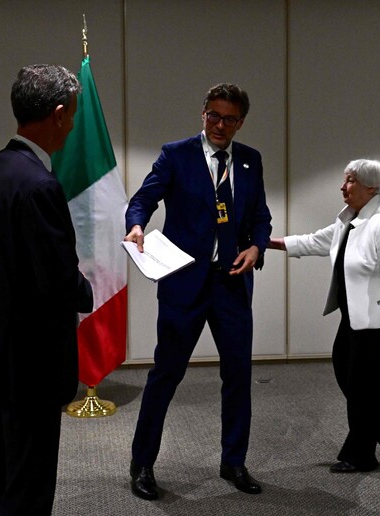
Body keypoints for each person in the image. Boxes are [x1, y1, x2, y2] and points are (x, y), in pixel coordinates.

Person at [0, 64, 93, 515]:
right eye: (71, 116)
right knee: (29, 482)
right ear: (57, 115)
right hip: (32, 361)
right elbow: (57, 280)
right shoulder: (39, 184)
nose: (71, 125)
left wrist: (3, 286)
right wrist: (87, 290)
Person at [124, 83, 272, 500]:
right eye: (213, 115)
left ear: (241, 122)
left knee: (237, 376)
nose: (219, 125)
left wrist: (257, 245)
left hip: (231, 285)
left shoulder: (249, 162)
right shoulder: (177, 154)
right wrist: (135, 225)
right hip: (183, 283)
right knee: (165, 375)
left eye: (229, 119)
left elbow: (260, 216)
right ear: (202, 113)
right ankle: (142, 464)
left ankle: (234, 461)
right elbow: (143, 200)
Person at [268, 159, 380, 473]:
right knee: (349, 377)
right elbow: (318, 241)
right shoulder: (351, 219)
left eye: (350, 180)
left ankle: (360, 455)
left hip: (378, 324)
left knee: (364, 390)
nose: (343, 186)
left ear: (371, 187)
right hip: (352, 318)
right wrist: (268, 243)